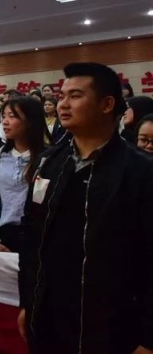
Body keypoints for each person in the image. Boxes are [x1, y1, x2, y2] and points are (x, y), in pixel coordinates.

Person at [18, 63, 153, 354]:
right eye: (61, 96)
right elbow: (31, 238)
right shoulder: (49, 163)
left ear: (107, 104)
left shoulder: (141, 171)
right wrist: (27, 302)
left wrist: (149, 337)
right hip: (49, 316)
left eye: (75, 96)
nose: (63, 104)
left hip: (112, 323)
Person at [0, 96, 48, 253]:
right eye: (3, 116)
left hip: (37, 239)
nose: (5, 122)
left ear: (30, 120)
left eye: (12, 116)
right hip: (3, 236)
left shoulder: (47, 159)